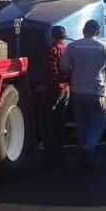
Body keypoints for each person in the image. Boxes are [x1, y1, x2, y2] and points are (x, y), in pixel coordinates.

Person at [60, 19, 106, 169]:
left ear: (83, 31)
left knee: (82, 124)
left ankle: (83, 150)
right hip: (96, 92)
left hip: (77, 91)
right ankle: (89, 148)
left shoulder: (72, 47)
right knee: (98, 125)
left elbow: (64, 67)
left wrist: (74, 74)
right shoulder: (104, 48)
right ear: (97, 32)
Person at [41, 26, 69, 164]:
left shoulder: (52, 49)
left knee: (47, 121)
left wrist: (47, 84)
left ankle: (49, 154)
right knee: (61, 121)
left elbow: (51, 69)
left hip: (54, 89)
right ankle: (60, 150)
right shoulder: (67, 48)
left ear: (52, 35)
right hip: (66, 88)